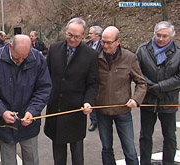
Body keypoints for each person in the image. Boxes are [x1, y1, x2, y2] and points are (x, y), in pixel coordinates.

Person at [0, 34, 52, 165]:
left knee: (32, 160)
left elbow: (43, 89)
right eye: (17, 56)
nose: (21, 60)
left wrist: (33, 111)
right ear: (10, 47)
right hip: (4, 123)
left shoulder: (37, 58)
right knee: (8, 162)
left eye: (25, 57)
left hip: (29, 121)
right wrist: (1, 111)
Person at [44, 17, 99, 165]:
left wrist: (88, 101)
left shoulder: (90, 55)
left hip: (76, 110)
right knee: (58, 153)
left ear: (83, 36)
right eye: (69, 35)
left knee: (77, 153)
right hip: (56, 108)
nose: (72, 39)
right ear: (65, 31)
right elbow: (45, 77)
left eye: (76, 36)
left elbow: (93, 84)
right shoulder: (54, 49)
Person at [95, 26, 146, 165]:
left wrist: (136, 99)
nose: (105, 45)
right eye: (103, 42)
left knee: (129, 149)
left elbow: (141, 83)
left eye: (108, 42)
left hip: (123, 111)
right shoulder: (95, 57)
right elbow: (89, 83)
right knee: (106, 148)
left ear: (118, 42)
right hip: (102, 111)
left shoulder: (129, 58)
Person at [136, 21, 179, 165]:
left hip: (169, 100)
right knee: (145, 136)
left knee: (170, 136)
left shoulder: (178, 52)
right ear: (154, 33)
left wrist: (160, 86)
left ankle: (169, 162)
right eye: (158, 35)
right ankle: (145, 162)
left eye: (164, 36)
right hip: (148, 99)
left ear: (172, 37)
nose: (160, 39)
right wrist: (150, 86)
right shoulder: (142, 50)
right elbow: (137, 72)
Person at [86, 25, 103, 132]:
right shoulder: (87, 45)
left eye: (91, 33)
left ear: (97, 35)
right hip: (89, 76)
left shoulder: (104, 45)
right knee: (91, 99)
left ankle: (102, 121)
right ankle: (94, 121)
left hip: (101, 76)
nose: (89, 35)